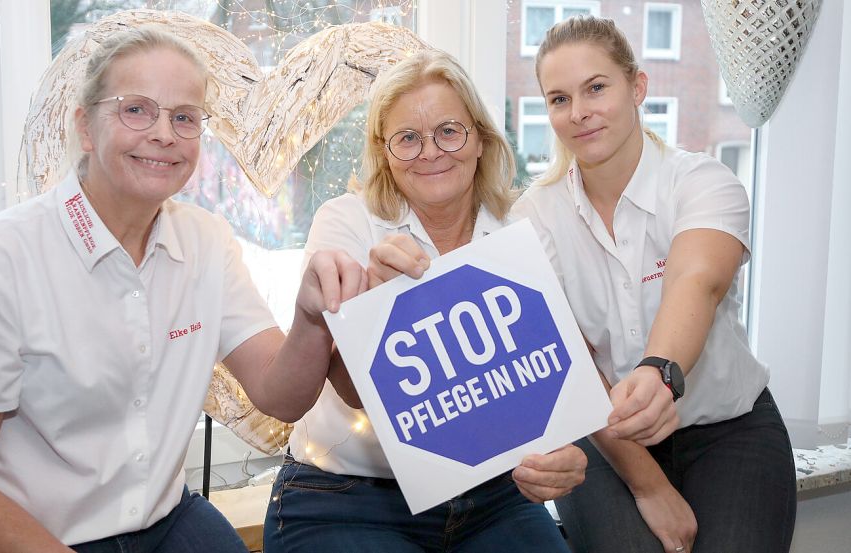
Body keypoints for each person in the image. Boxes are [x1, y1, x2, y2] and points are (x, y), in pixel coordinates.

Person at [0, 26, 365, 553]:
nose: (164, 133)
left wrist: (310, 317)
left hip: (160, 519)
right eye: (136, 110)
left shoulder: (207, 242)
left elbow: (279, 397)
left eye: (184, 117)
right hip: (15, 532)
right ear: (85, 127)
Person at [263, 49, 593, 553]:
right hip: (347, 494)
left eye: (448, 131)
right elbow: (352, 392)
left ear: (480, 138)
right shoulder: (347, 223)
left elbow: (537, 375)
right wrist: (376, 308)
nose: (430, 152)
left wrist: (559, 453)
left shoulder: (522, 232)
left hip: (491, 497)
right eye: (408, 138)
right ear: (384, 152)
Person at [513, 15, 797, 553]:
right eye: (559, 99)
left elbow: (697, 281)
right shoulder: (533, 219)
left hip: (730, 427)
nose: (579, 112)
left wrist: (659, 373)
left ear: (637, 87)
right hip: (606, 439)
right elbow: (573, 364)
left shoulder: (702, 182)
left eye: (597, 88)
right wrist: (649, 486)